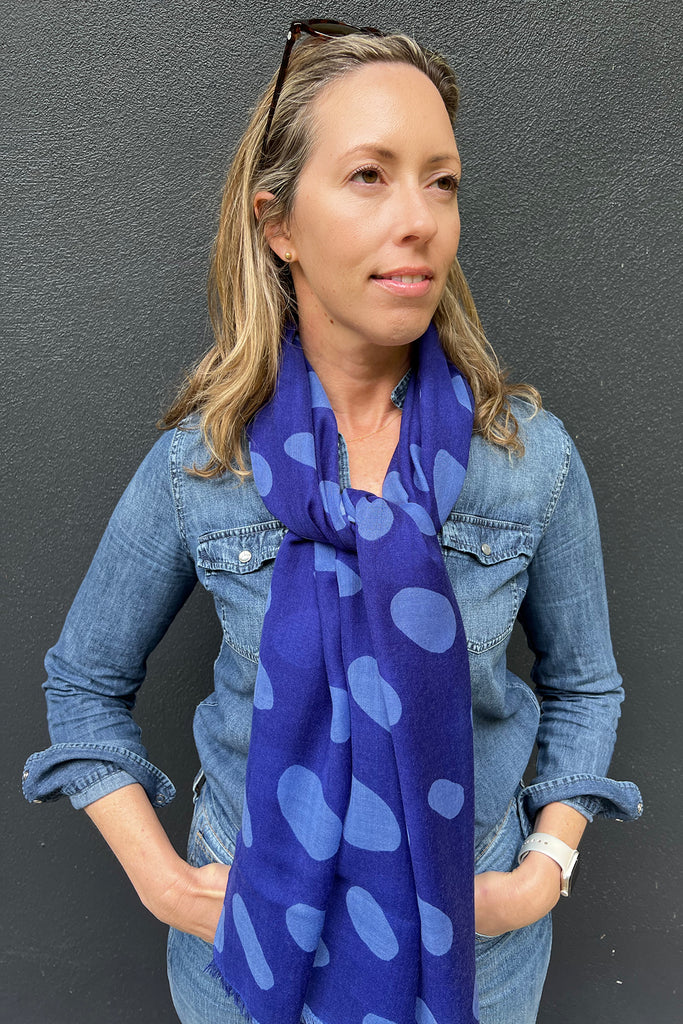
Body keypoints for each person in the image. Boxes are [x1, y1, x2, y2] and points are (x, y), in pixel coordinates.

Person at [22, 21, 643, 1024]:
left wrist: (541, 870)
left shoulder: (525, 460)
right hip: (246, 961)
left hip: (472, 962)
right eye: (369, 176)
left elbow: (585, 682)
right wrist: (167, 885)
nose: (419, 219)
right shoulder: (205, 463)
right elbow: (82, 686)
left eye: (440, 181)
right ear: (277, 224)